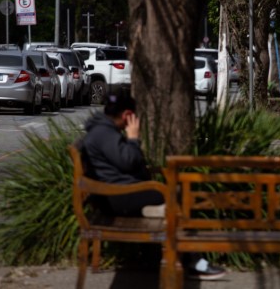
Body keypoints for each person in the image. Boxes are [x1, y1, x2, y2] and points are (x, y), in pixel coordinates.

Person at [82, 88, 226, 280]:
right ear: (127, 114)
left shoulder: (103, 130)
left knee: (174, 197)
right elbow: (129, 161)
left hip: (119, 195)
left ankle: (188, 256)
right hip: (119, 198)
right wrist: (133, 138)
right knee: (176, 198)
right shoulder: (104, 133)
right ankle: (193, 262)